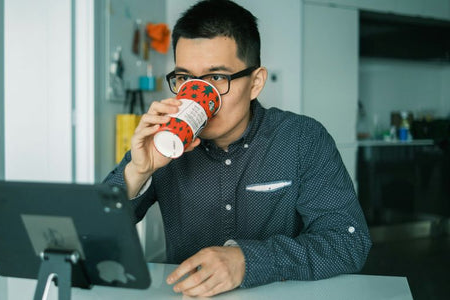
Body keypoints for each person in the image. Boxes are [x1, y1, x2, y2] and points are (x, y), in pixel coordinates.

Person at [103, 0, 371, 297]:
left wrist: (249, 261)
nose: (198, 96)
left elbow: (350, 242)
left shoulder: (301, 139)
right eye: (185, 79)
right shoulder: (166, 141)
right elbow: (93, 234)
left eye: (217, 77)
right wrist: (139, 171)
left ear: (255, 83)